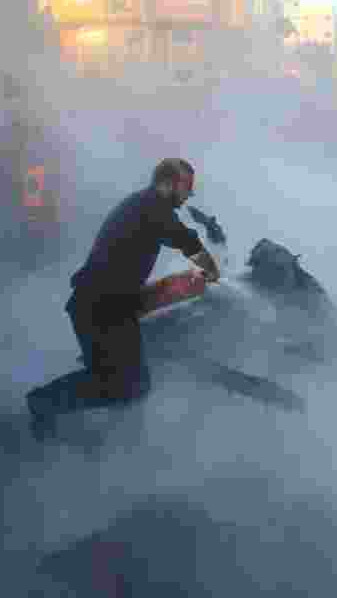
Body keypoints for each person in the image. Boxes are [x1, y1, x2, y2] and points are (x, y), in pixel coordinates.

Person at [26, 158, 220, 441]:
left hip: (100, 305)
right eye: (186, 187)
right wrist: (212, 271)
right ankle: (46, 404)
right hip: (104, 308)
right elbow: (185, 239)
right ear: (168, 183)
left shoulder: (141, 204)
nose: (189, 195)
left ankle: (54, 414)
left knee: (119, 381)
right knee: (130, 385)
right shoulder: (152, 207)